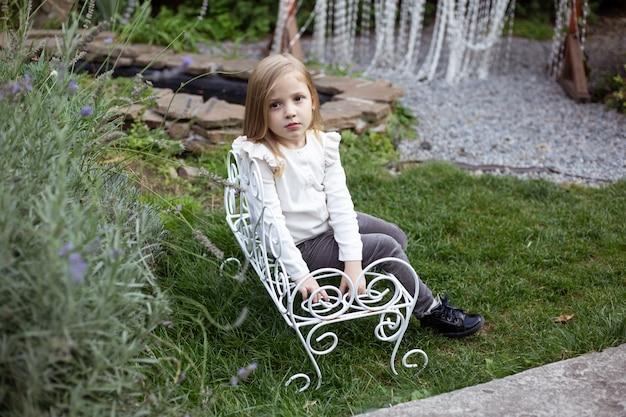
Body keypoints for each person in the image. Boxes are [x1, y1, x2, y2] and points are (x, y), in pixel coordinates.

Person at [232, 53, 483, 338]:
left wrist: (353, 261)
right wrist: (300, 273)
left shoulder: (321, 143)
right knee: (387, 248)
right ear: (259, 111)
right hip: (302, 244)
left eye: (297, 99)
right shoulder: (262, 155)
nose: (290, 111)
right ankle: (429, 310)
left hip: (325, 223)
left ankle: (381, 273)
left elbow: (339, 201)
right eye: (275, 105)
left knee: (396, 236)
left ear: (313, 100)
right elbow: (271, 224)